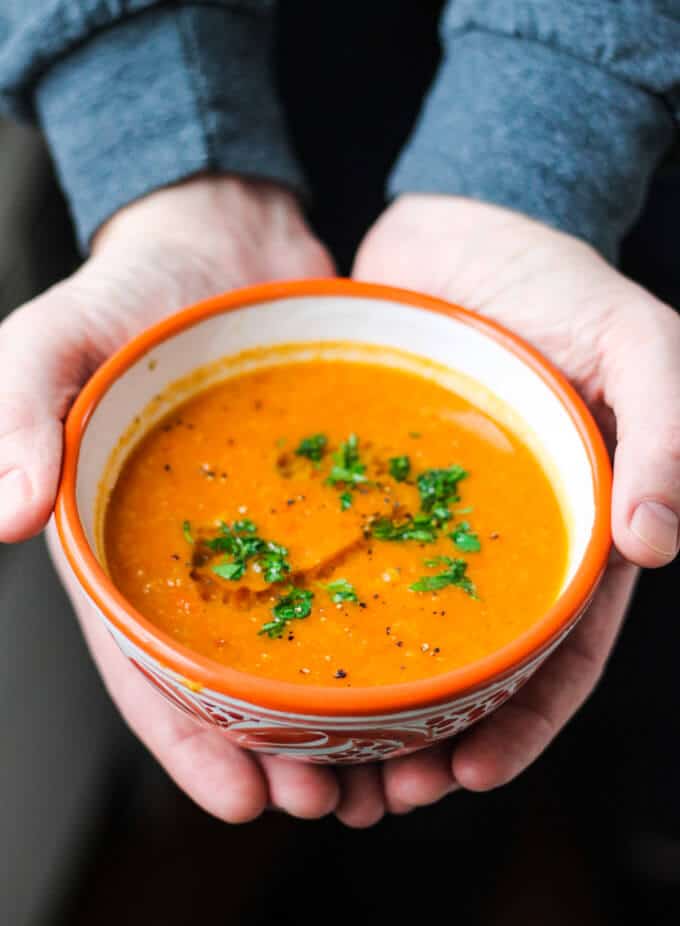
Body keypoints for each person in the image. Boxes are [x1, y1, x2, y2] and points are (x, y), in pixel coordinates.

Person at [1, 0, 679, 836]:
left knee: (621, 744)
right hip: (244, 87)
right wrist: (164, 155)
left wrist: (543, 133)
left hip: (611, 149)